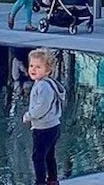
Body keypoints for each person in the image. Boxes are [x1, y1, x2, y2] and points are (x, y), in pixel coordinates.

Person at [23, 47, 66, 185]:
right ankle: (52, 180)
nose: (33, 69)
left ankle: (40, 182)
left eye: (38, 67)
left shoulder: (43, 86)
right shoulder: (46, 83)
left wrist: (29, 116)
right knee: (49, 156)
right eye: (31, 66)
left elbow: (42, 107)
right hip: (53, 126)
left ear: (48, 70)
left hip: (44, 128)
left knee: (38, 157)